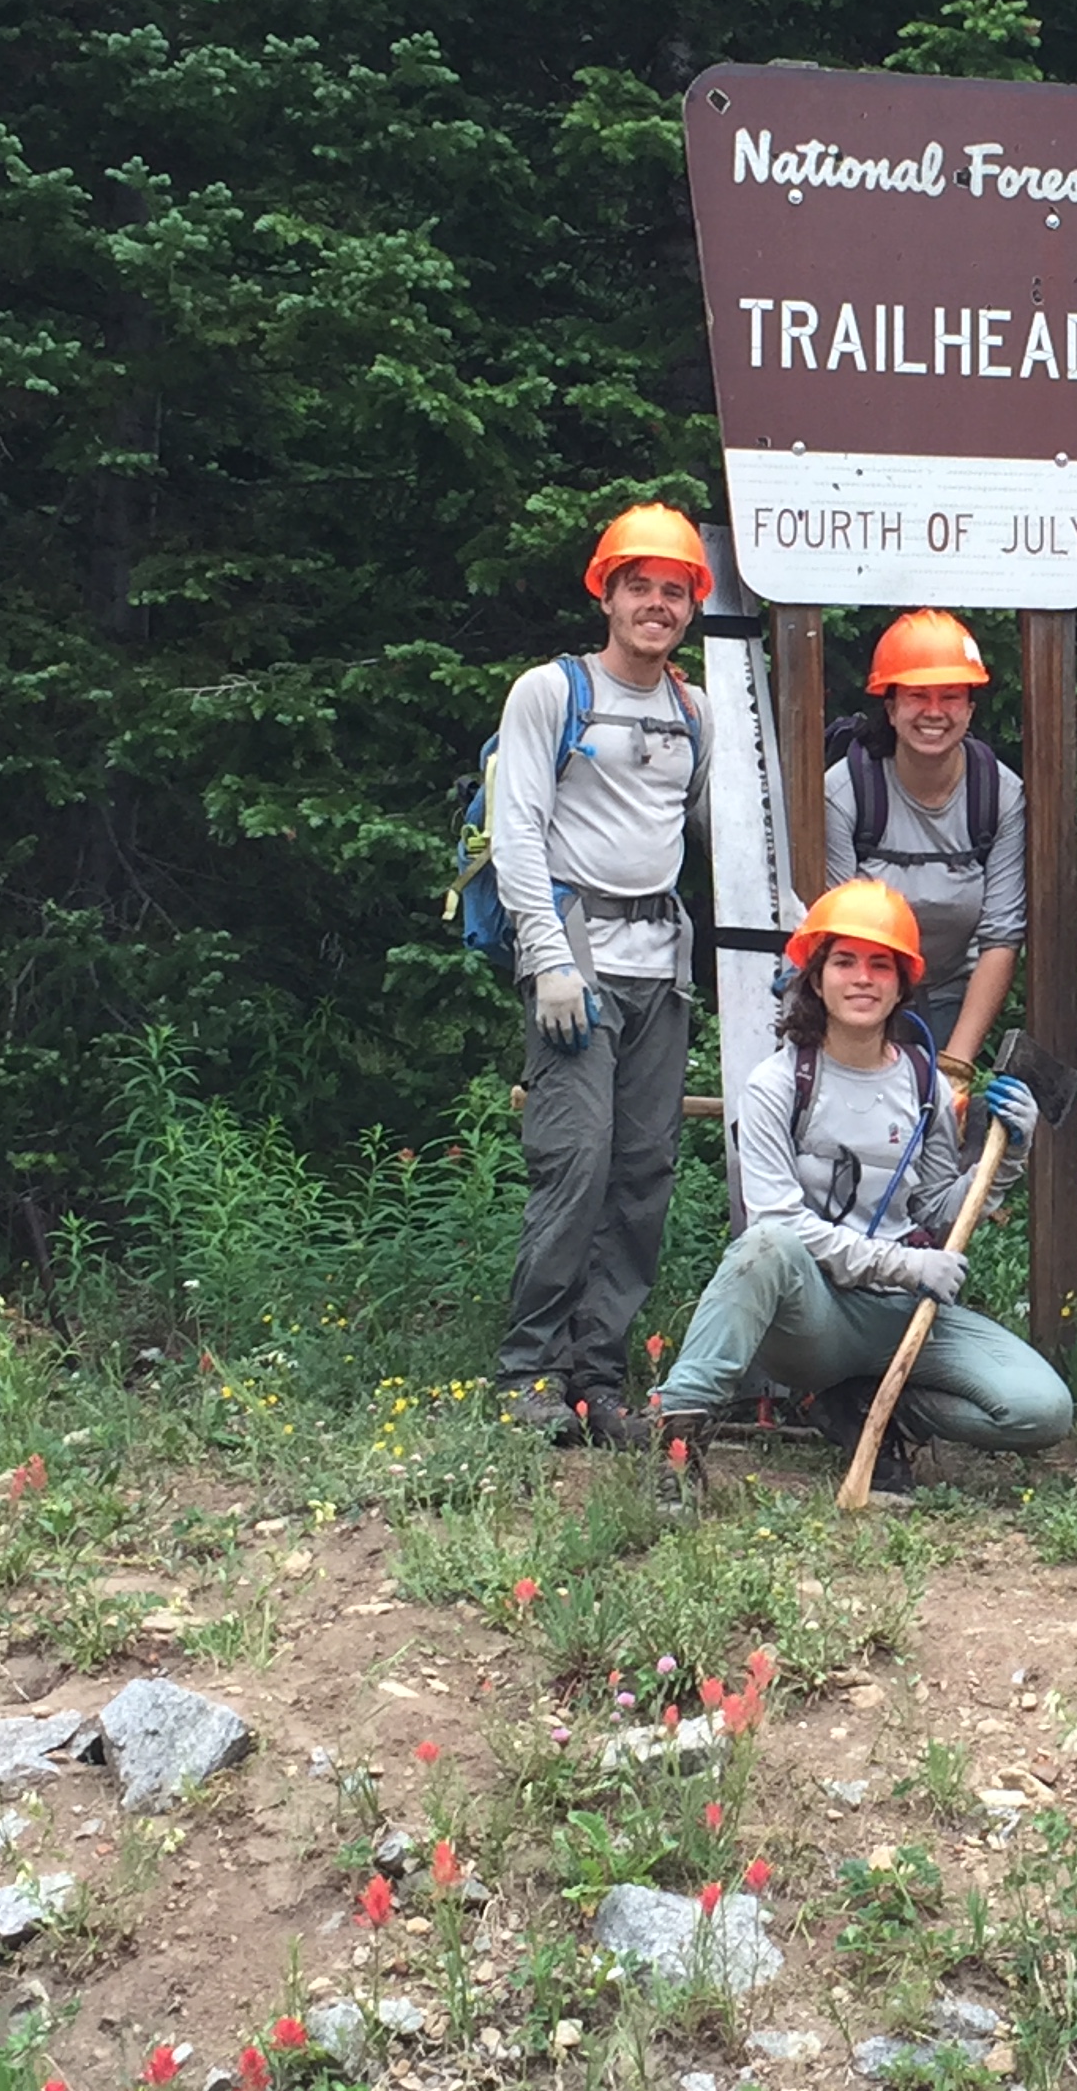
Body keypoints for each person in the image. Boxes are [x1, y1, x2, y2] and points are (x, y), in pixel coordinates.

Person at [650, 878, 1065, 1503]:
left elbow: (934, 1213)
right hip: (811, 1318)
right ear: (816, 978)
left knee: (1042, 1411)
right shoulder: (774, 1085)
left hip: (903, 1315)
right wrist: (906, 1264)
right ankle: (678, 1447)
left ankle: (874, 1405)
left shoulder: (923, 1081)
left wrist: (1009, 1156)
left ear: (903, 983)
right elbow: (780, 1223)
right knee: (763, 1246)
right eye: (844, 962)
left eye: (880, 964)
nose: (862, 979)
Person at [490, 502, 714, 1448]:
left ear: (693, 606)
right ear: (608, 594)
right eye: (640, 587)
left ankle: (598, 1379)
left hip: (660, 971)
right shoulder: (553, 691)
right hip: (575, 967)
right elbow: (519, 833)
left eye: (675, 590)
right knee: (574, 1168)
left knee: (641, 1178)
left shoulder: (695, 711)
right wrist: (546, 960)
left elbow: (713, 836)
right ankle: (526, 1375)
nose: (656, 605)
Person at [823, 610, 1028, 1093]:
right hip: (864, 985)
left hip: (957, 992)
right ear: (890, 708)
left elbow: (1002, 934)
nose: (934, 712)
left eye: (950, 697)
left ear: (970, 709)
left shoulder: (998, 794)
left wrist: (955, 1068)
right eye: (917, 696)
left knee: (943, 1139)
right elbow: (838, 938)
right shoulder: (844, 791)